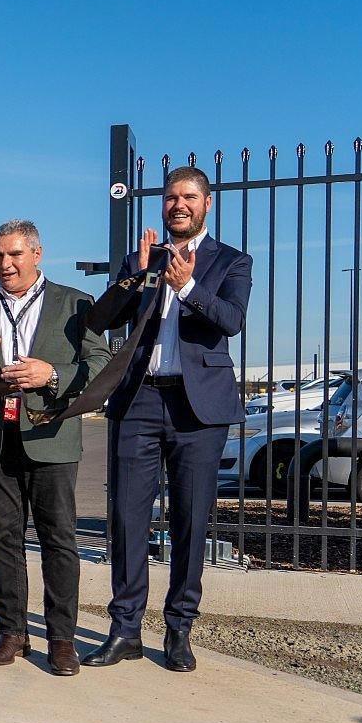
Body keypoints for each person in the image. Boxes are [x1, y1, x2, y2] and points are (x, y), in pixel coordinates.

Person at [83, 167, 252, 673]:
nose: (179, 204)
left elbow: (231, 321)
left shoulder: (232, 261)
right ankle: (126, 630)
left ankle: (179, 631)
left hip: (198, 409)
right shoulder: (143, 259)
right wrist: (135, 275)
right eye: (171, 197)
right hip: (139, 401)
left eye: (189, 197)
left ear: (207, 203)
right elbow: (101, 319)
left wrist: (189, 286)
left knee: (189, 521)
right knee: (129, 520)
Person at [0, 220, 110, 676]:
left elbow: (98, 363)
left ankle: (62, 639)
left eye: (15, 255)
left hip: (52, 436)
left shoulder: (75, 303)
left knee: (58, 540)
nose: (5, 264)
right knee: (4, 540)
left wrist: (52, 374)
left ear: (37, 254)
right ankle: (12, 633)